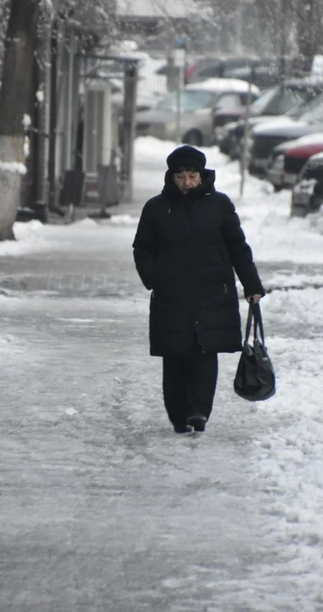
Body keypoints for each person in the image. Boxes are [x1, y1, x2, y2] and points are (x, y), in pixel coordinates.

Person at [132, 145, 264, 434]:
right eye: (181, 177)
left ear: (202, 175)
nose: (187, 183)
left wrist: (252, 285)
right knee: (175, 355)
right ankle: (178, 415)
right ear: (172, 177)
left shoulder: (219, 205)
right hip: (172, 295)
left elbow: (238, 248)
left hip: (212, 294)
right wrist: (154, 278)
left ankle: (199, 412)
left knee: (205, 353)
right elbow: (142, 249)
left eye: (193, 176)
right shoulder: (156, 208)